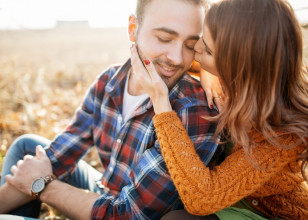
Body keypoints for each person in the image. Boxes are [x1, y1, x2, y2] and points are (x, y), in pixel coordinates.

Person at [0, 0, 222, 219]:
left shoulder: (193, 111)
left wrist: (41, 186)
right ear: (133, 29)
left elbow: (129, 215)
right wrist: (36, 179)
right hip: (104, 193)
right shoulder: (109, 81)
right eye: (164, 38)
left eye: (190, 45)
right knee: (28, 148)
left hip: (126, 213)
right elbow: (57, 158)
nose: (176, 57)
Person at [130, 0, 308, 219]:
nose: (196, 48)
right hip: (232, 202)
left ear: (239, 66)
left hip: (265, 212)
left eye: (209, 50)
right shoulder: (238, 81)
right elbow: (178, 62)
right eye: (202, 38)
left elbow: (203, 199)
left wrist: (161, 103)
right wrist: (208, 71)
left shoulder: (282, 135)